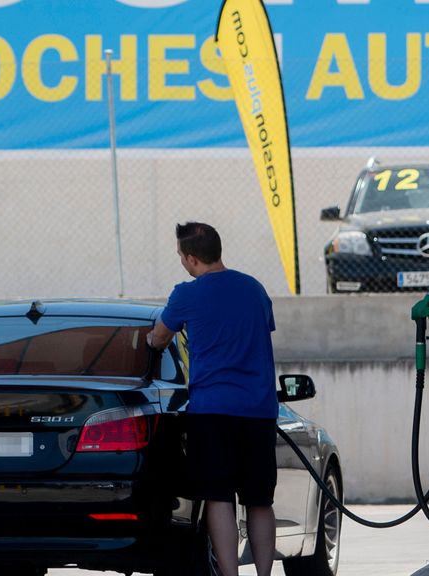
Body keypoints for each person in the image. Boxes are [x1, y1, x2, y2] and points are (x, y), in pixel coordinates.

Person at [146, 222, 278, 576]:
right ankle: (264, 574)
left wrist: (144, 342)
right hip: (259, 412)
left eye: (180, 256)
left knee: (219, 497)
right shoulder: (255, 289)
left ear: (191, 258)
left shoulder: (186, 294)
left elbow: (158, 338)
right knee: (260, 500)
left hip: (213, 412)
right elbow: (262, 330)